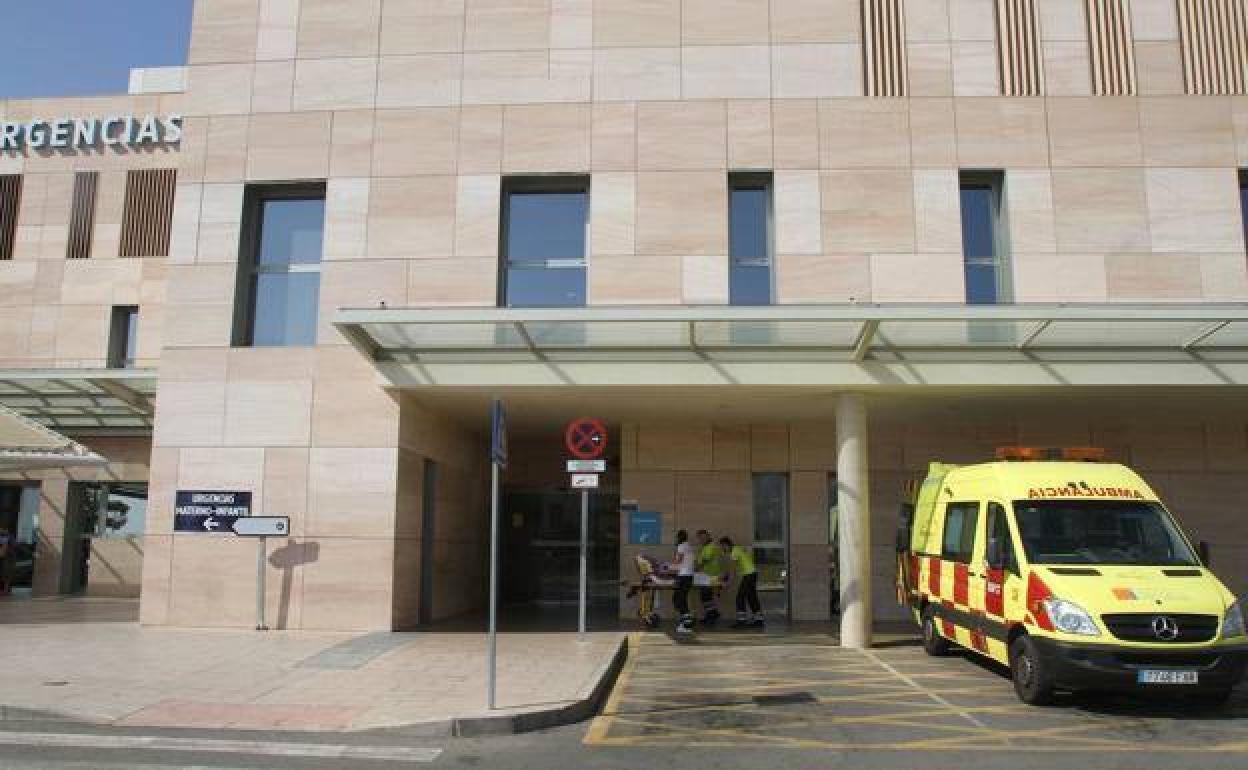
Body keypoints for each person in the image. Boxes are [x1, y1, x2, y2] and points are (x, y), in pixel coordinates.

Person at [720, 536, 763, 628]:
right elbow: (730, 569)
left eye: (722, 546)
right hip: (752, 574)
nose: (722, 549)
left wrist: (727, 583)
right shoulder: (736, 549)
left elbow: (732, 571)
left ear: (726, 545)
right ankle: (759, 620)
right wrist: (723, 576)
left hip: (749, 575)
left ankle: (741, 621)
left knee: (740, 597)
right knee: (752, 597)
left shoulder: (734, 552)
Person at [694, 529, 722, 625]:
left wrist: (696, 568)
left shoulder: (710, 546)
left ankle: (712, 615)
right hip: (706, 576)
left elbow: (705, 560)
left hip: (710, 576)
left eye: (703, 537)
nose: (701, 540)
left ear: (708, 536)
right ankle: (711, 614)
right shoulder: (705, 547)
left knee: (706, 596)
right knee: (706, 596)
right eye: (700, 538)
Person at [671, 529, 695, 635]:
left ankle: (686, 623)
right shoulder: (689, 547)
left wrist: (667, 566)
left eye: (676, 537)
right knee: (680, 599)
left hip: (683, 576)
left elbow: (678, 561)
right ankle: (686, 620)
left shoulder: (681, 546)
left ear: (679, 537)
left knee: (678, 599)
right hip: (689, 576)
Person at [0, 527, 12, 596]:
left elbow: (3, 552)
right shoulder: (5, 538)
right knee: (5, 575)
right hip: (5, 559)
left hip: (6, 559)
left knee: (5, 575)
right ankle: (5, 590)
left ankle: (5, 590)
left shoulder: (6, 538)